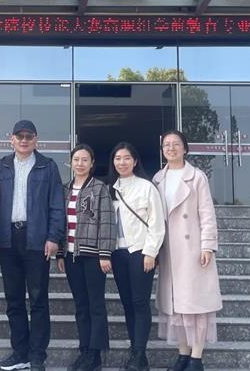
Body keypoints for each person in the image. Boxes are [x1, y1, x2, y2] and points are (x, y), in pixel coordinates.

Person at [0, 120, 65, 371]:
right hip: (8, 239)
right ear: (11, 139)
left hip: (37, 240)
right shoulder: (1, 166)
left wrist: (54, 237)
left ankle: (37, 356)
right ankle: (20, 352)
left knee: (38, 299)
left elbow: (56, 204)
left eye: (28, 136)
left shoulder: (48, 166)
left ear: (36, 139)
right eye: (19, 136)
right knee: (13, 299)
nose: (24, 140)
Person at [153, 130, 222, 371]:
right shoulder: (158, 179)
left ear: (185, 148)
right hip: (169, 251)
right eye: (166, 145)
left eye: (176, 144)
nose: (171, 148)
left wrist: (208, 245)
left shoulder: (197, 177)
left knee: (196, 305)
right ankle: (182, 354)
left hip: (192, 250)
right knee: (176, 306)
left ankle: (196, 357)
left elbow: (207, 213)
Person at [56, 144, 116, 371]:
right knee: (81, 305)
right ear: (70, 163)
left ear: (91, 164)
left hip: (93, 256)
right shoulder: (64, 189)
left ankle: (95, 354)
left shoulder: (100, 188)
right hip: (71, 255)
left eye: (84, 160)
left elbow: (107, 222)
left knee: (95, 304)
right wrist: (60, 253)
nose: (80, 164)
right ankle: (84, 350)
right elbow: (60, 223)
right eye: (76, 160)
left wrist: (104, 253)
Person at [108, 142, 165, 371]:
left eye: (126, 158)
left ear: (135, 161)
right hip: (118, 253)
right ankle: (135, 351)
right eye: (117, 158)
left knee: (140, 303)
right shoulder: (110, 189)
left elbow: (157, 223)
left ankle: (140, 354)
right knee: (127, 304)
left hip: (140, 252)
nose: (122, 162)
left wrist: (151, 252)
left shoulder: (146, 187)